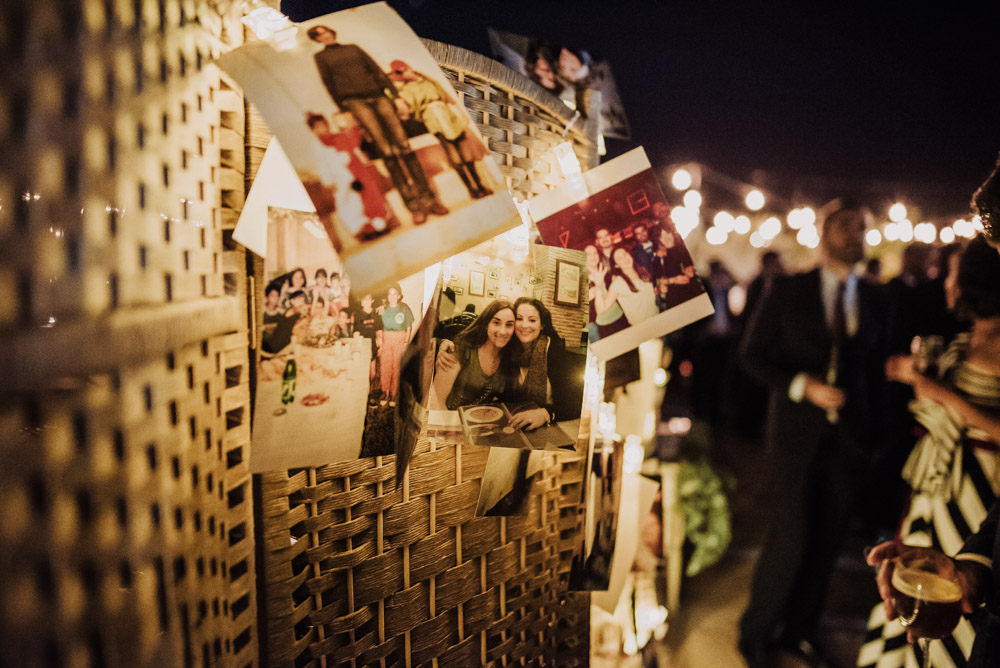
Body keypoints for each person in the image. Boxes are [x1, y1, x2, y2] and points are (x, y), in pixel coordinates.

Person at [738, 198, 890, 668]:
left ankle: (801, 630)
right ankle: (756, 632)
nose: (856, 236)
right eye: (846, 227)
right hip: (795, 438)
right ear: (825, 234)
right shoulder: (786, 291)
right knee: (791, 536)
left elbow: (872, 368)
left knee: (828, 543)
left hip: (849, 442)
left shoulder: (875, 297)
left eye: (862, 228)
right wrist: (802, 386)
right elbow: (751, 356)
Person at [859, 235, 1000, 668]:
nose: (946, 281)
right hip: (938, 481)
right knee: (919, 574)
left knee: (959, 593)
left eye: (953, 271)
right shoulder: (966, 335)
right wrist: (913, 373)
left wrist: (935, 390)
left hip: (977, 482)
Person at [306, 25, 447, 222]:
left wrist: (396, 98)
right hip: (355, 103)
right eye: (318, 35)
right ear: (317, 39)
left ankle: (431, 201)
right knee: (387, 153)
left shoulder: (353, 48)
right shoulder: (320, 58)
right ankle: (414, 207)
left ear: (332, 32)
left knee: (405, 148)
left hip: (380, 98)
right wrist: (346, 112)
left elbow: (377, 71)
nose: (324, 36)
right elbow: (329, 85)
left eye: (325, 31)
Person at [388, 59, 493, 201]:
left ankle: (480, 185)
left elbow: (447, 97)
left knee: (466, 153)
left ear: (409, 67)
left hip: (449, 116)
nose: (405, 73)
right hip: (433, 119)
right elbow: (408, 111)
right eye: (400, 72)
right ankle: (471, 189)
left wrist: (461, 113)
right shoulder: (406, 91)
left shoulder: (428, 81)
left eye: (405, 69)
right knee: (454, 156)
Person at [431, 300, 515, 410]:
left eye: (509, 325)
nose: (503, 331)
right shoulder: (460, 351)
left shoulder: (508, 360)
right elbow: (435, 401)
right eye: (496, 323)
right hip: (447, 421)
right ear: (486, 325)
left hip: (479, 423)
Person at [585, 243, 629, 342]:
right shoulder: (583, 281)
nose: (592, 256)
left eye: (595, 253)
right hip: (604, 325)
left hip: (621, 317)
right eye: (588, 254)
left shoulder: (608, 274)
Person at [604, 246, 659, 326]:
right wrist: (598, 287)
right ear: (616, 265)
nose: (624, 258)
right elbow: (602, 308)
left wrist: (659, 289)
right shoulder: (618, 283)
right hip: (643, 328)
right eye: (619, 258)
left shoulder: (643, 272)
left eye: (625, 254)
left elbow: (648, 295)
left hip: (658, 319)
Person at [379, 283, 414, 406]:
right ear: (387, 296)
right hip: (386, 338)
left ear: (399, 296)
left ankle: (394, 394)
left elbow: (409, 327)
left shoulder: (404, 308)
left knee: (396, 366)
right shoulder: (382, 309)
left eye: (395, 294)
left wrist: (406, 342)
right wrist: (380, 341)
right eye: (390, 294)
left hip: (400, 338)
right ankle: (385, 392)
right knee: (385, 365)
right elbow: (379, 328)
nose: (392, 296)